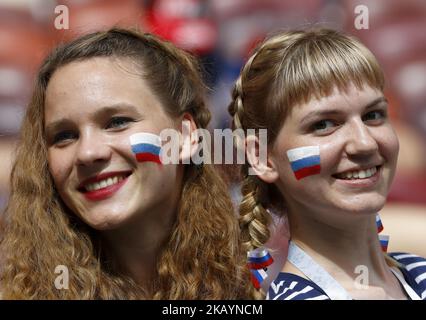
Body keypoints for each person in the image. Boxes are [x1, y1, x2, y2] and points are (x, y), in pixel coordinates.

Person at [0, 28, 254, 299]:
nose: (87, 153)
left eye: (117, 122)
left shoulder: (262, 280)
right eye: (64, 136)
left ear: (185, 136)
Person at [228, 28, 426, 300]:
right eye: (324, 124)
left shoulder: (419, 272)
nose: (364, 143)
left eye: (373, 115)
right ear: (262, 157)